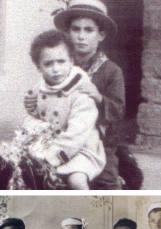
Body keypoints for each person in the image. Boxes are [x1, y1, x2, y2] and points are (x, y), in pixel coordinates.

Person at [52, 0, 132, 189]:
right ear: (67, 33)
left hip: (98, 146)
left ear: (101, 35)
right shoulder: (59, 66)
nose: (81, 36)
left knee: (105, 187)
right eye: (76, 29)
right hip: (61, 140)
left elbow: (118, 111)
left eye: (89, 30)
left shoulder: (111, 71)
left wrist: (98, 97)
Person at [23, 29, 105, 189]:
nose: (56, 69)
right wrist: (31, 110)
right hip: (50, 143)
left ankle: (89, 208)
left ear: (72, 61)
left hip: (80, 147)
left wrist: (53, 158)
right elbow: (38, 116)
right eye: (48, 64)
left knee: (76, 179)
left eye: (61, 62)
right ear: (38, 67)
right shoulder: (40, 87)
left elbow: (78, 133)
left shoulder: (81, 90)